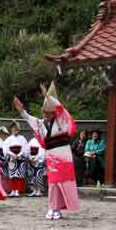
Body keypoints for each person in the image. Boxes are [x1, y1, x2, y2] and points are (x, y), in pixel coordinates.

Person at [14, 81, 80, 220]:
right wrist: (21, 111)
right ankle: (54, 208)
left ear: (54, 112)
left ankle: (57, 208)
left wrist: (49, 97)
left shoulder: (61, 120)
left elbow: (62, 109)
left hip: (63, 154)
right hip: (51, 154)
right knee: (53, 181)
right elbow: (30, 119)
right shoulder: (41, 123)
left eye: (49, 112)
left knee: (61, 181)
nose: (46, 114)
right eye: (44, 112)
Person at [3, 122, 28, 197]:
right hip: (12, 158)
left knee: (19, 175)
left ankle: (17, 190)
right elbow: (5, 148)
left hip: (20, 158)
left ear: (19, 129)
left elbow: (25, 148)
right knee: (13, 175)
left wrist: (19, 155)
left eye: (16, 128)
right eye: (13, 128)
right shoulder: (8, 139)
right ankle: (13, 190)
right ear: (11, 130)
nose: (15, 130)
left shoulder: (22, 138)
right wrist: (12, 155)